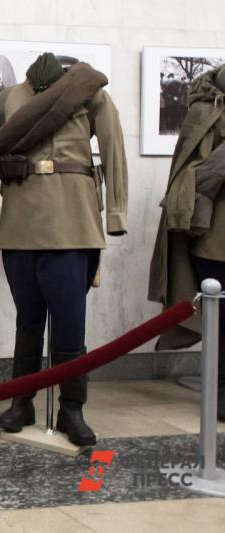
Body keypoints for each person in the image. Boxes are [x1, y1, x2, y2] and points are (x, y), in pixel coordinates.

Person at [0, 53, 128, 446]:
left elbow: (113, 150)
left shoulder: (90, 94)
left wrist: (116, 213)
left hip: (72, 223)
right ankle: (22, 402)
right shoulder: (7, 100)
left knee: (70, 328)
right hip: (20, 224)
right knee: (28, 322)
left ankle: (72, 409)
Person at [149, 65, 225, 421]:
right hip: (213, 235)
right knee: (220, 319)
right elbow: (191, 170)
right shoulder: (204, 110)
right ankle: (221, 393)